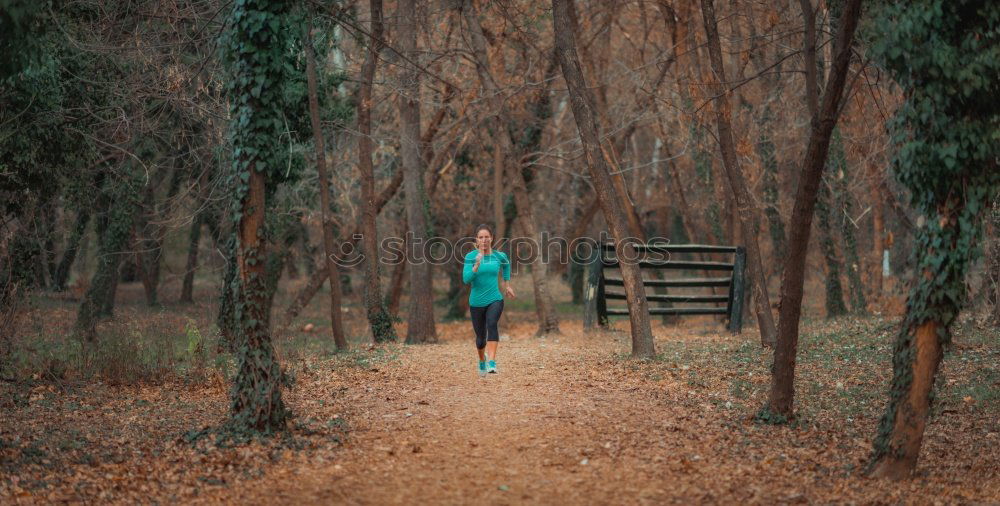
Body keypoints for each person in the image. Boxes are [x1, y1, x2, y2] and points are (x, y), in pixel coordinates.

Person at [462, 223, 514, 376]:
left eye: (487, 237)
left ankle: (492, 361)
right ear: (476, 240)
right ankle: (482, 360)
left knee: (492, 324)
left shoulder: (499, 256)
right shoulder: (470, 257)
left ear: (491, 238)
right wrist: (476, 267)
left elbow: (506, 265)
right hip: (476, 302)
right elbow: (466, 279)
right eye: (480, 237)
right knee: (480, 339)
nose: (484, 240)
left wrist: (507, 285)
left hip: (495, 298)